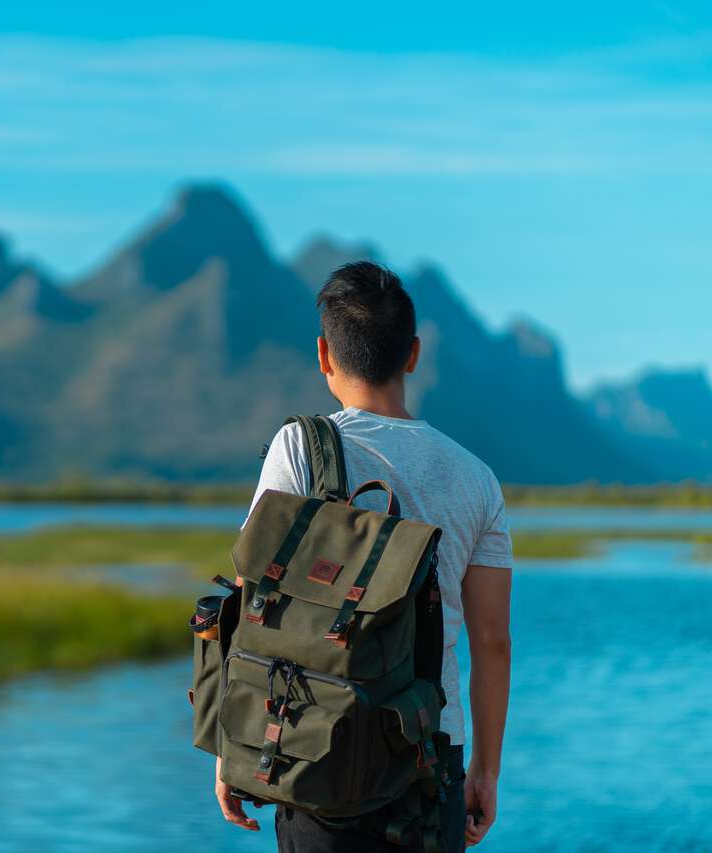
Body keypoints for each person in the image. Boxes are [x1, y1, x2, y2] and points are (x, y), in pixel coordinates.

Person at [214, 261, 513, 852]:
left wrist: (233, 749)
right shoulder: (478, 481)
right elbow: (493, 643)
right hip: (432, 759)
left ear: (325, 355)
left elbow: (257, 606)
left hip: (318, 750)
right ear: (413, 355)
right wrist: (485, 769)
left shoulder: (299, 448)